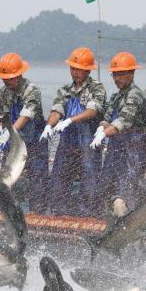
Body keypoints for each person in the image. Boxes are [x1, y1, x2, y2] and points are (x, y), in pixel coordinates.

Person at [44, 47, 107, 216]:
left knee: (90, 179)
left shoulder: (97, 88)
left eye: (78, 69)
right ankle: (59, 214)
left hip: (88, 142)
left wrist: (71, 120)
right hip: (67, 143)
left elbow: (93, 111)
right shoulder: (64, 90)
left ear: (87, 70)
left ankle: (88, 215)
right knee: (59, 178)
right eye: (72, 68)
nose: (74, 72)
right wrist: (49, 125)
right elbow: (57, 110)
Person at [0, 52, 48, 213]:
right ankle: (6, 212)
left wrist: (10, 132)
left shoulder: (32, 90)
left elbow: (26, 115)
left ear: (20, 74)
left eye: (11, 77)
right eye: (4, 78)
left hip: (34, 143)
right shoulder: (2, 92)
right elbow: (1, 116)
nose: (7, 81)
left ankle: (38, 214)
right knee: (7, 178)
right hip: (12, 147)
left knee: (38, 180)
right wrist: (0, 128)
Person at [92, 52, 146, 207]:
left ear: (131, 74)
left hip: (135, 147)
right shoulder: (116, 96)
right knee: (108, 181)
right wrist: (100, 128)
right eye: (114, 75)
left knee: (129, 184)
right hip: (116, 147)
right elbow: (108, 116)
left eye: (121, 74)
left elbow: (123, 121)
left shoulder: (135, 94)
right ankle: (106, 217)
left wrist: (104, 133)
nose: (117, 79)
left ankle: (128, 219)